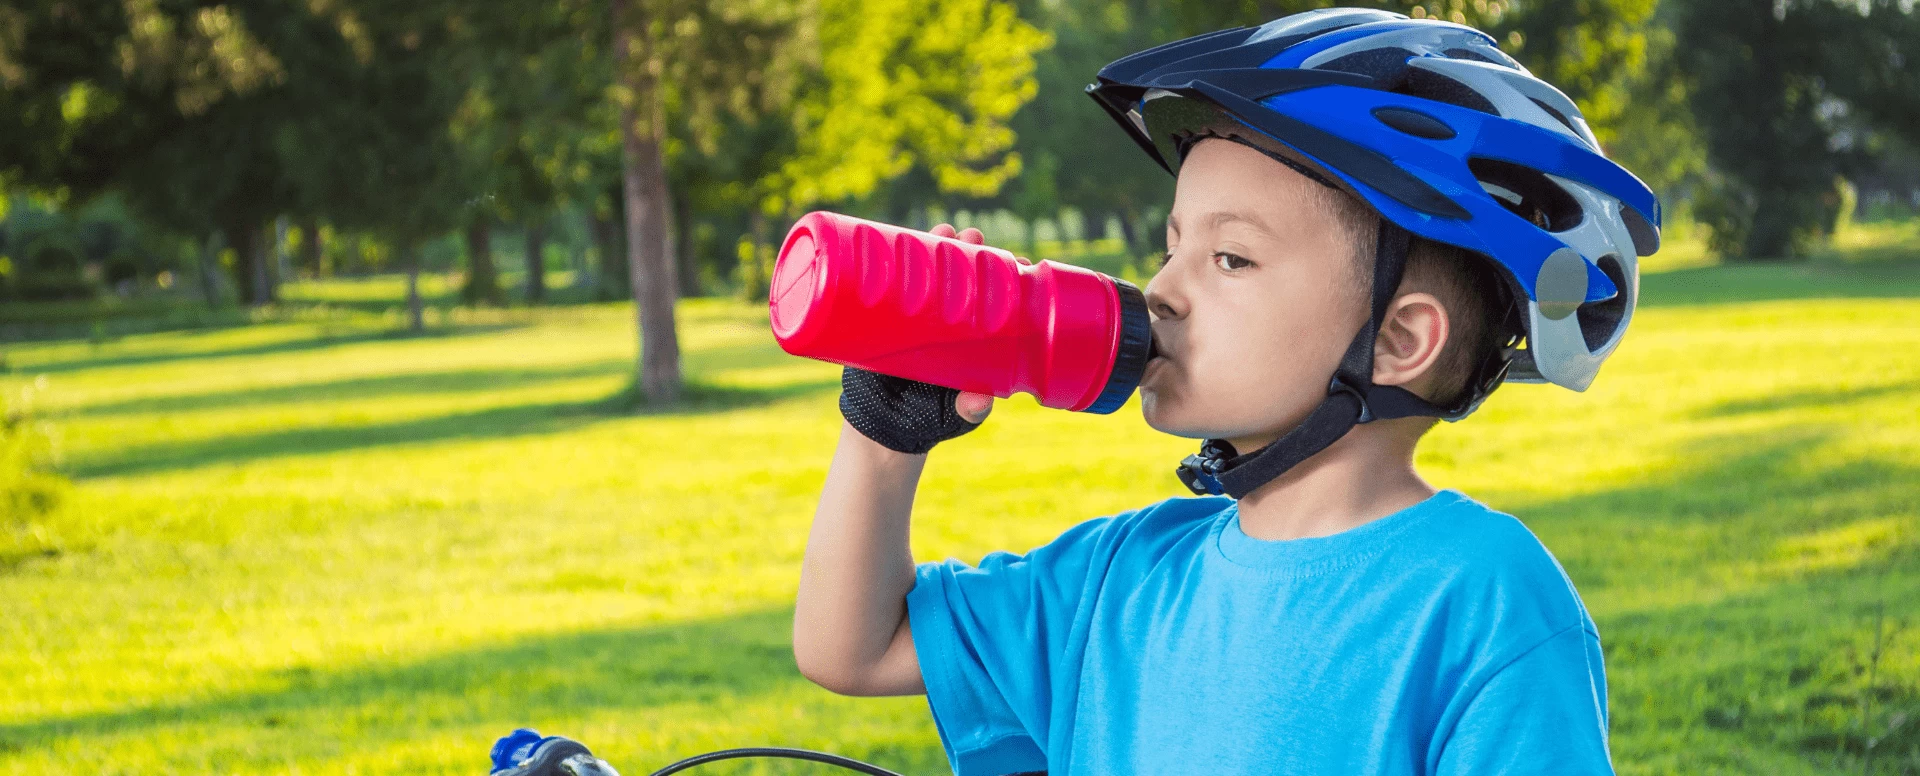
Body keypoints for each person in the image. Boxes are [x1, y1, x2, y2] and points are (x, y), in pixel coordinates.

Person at [792, 8, 1660, 775]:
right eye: (1171, 246)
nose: (1162, 289)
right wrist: (885, 434)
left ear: (1398, 340)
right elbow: (853, 648)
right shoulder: (1120, 576)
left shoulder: (1481, 596)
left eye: (1230, 258)